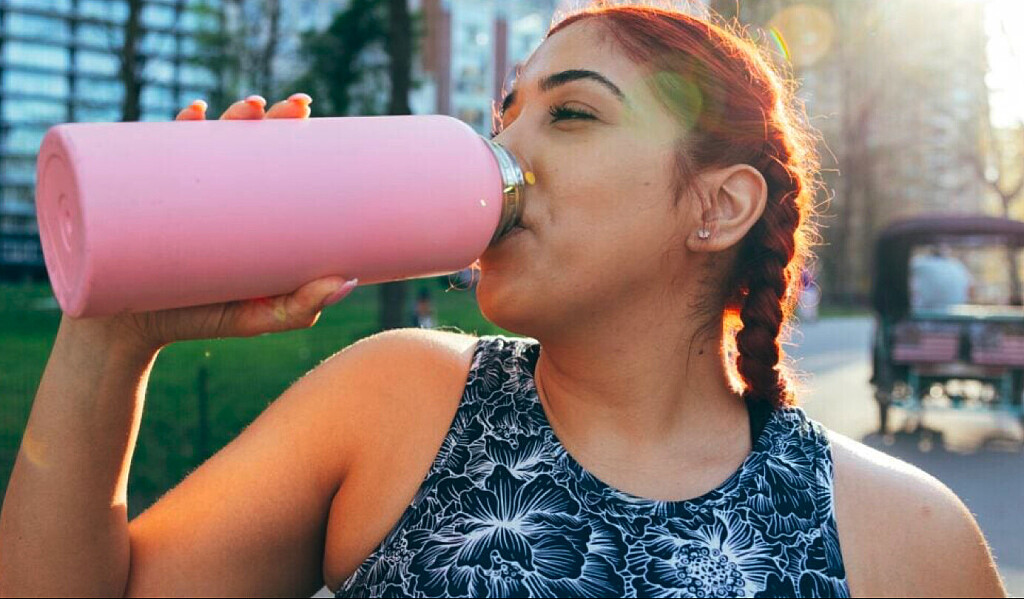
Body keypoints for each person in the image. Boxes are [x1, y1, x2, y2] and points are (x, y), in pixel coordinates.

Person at [0, 5, 1006, 598]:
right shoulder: (396, 400)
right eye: (505, 113)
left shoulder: (904, 534)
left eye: (572, 114)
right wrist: (114, 334)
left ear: (717, 206)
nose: (501, 153)